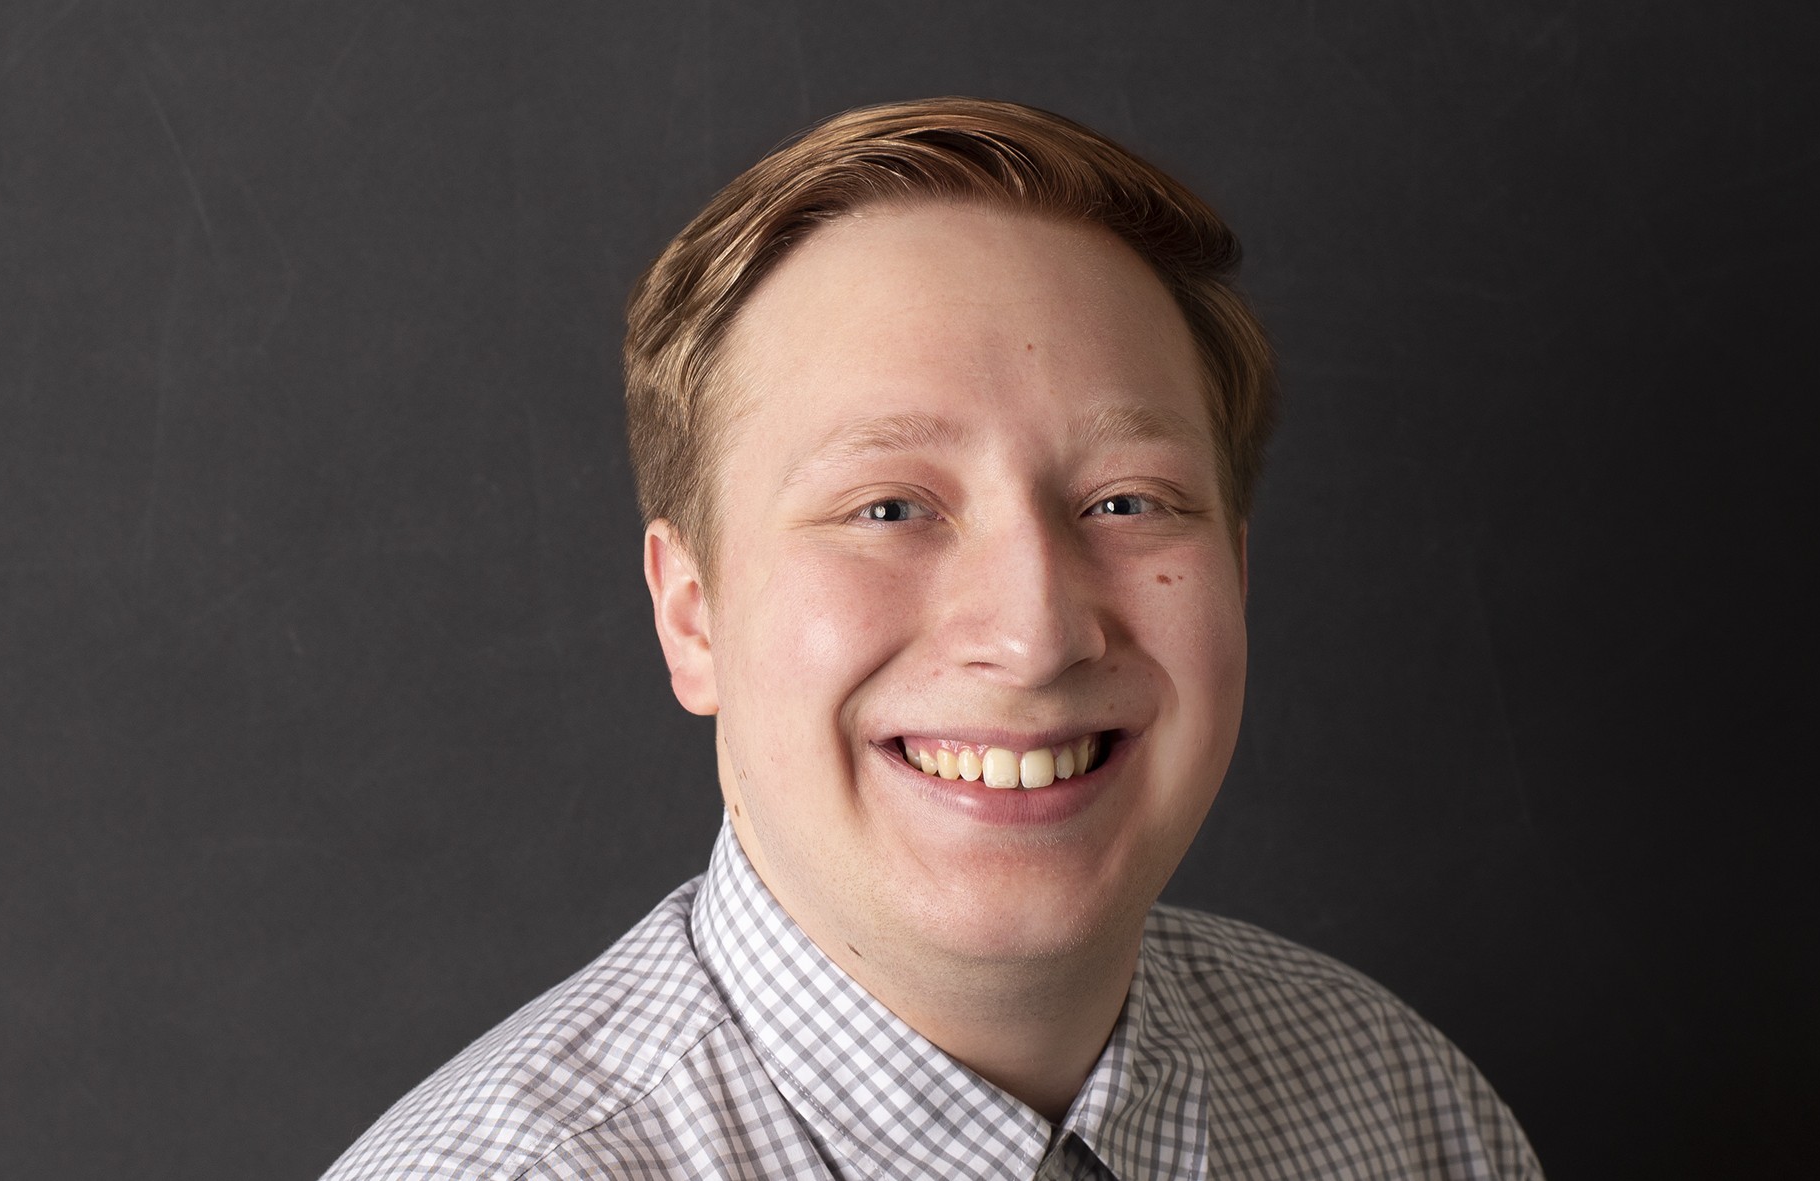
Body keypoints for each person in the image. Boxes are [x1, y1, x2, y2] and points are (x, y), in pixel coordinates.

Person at [321, 97, 1541, 1180]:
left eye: (1127, 500)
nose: (1035, 632)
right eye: (889, 507)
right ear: (692, 613)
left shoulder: (1402, 1108)